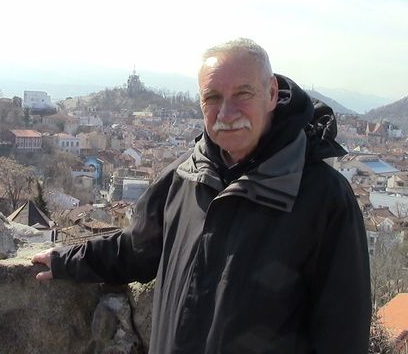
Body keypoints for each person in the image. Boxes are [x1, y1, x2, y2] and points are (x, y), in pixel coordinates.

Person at [33, 38, 371, 353]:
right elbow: (137, 249)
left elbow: (342, 333)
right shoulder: (185, 174)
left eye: (242, 94)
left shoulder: (324, 197)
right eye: (212, 98)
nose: (226, 113)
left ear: (271, 94)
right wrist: (68, 261)